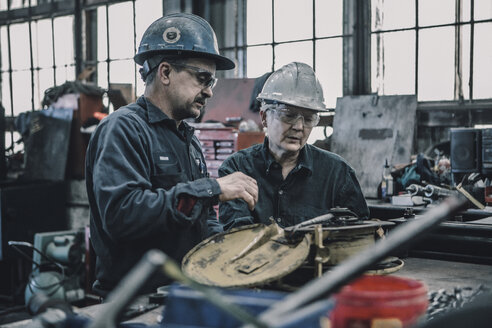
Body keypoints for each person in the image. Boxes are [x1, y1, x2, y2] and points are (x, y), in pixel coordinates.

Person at [85, 13, 258, 297]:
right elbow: (123, 215)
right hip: (134, 302)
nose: (210, 92)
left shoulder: (188, 140)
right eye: (203, 78)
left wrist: (231, 246)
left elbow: (200, 217)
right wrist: (211, 189)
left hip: (182, 295)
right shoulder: (124, 129)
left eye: (212, 81)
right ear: (165, 72)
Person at [219, 62, 369, 229]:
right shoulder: (237, 168)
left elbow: (358, 236)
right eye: (288, 115)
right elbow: (236, 237)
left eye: (309, 118)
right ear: (264, 117)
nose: (299, 127)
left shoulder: (338, 173)